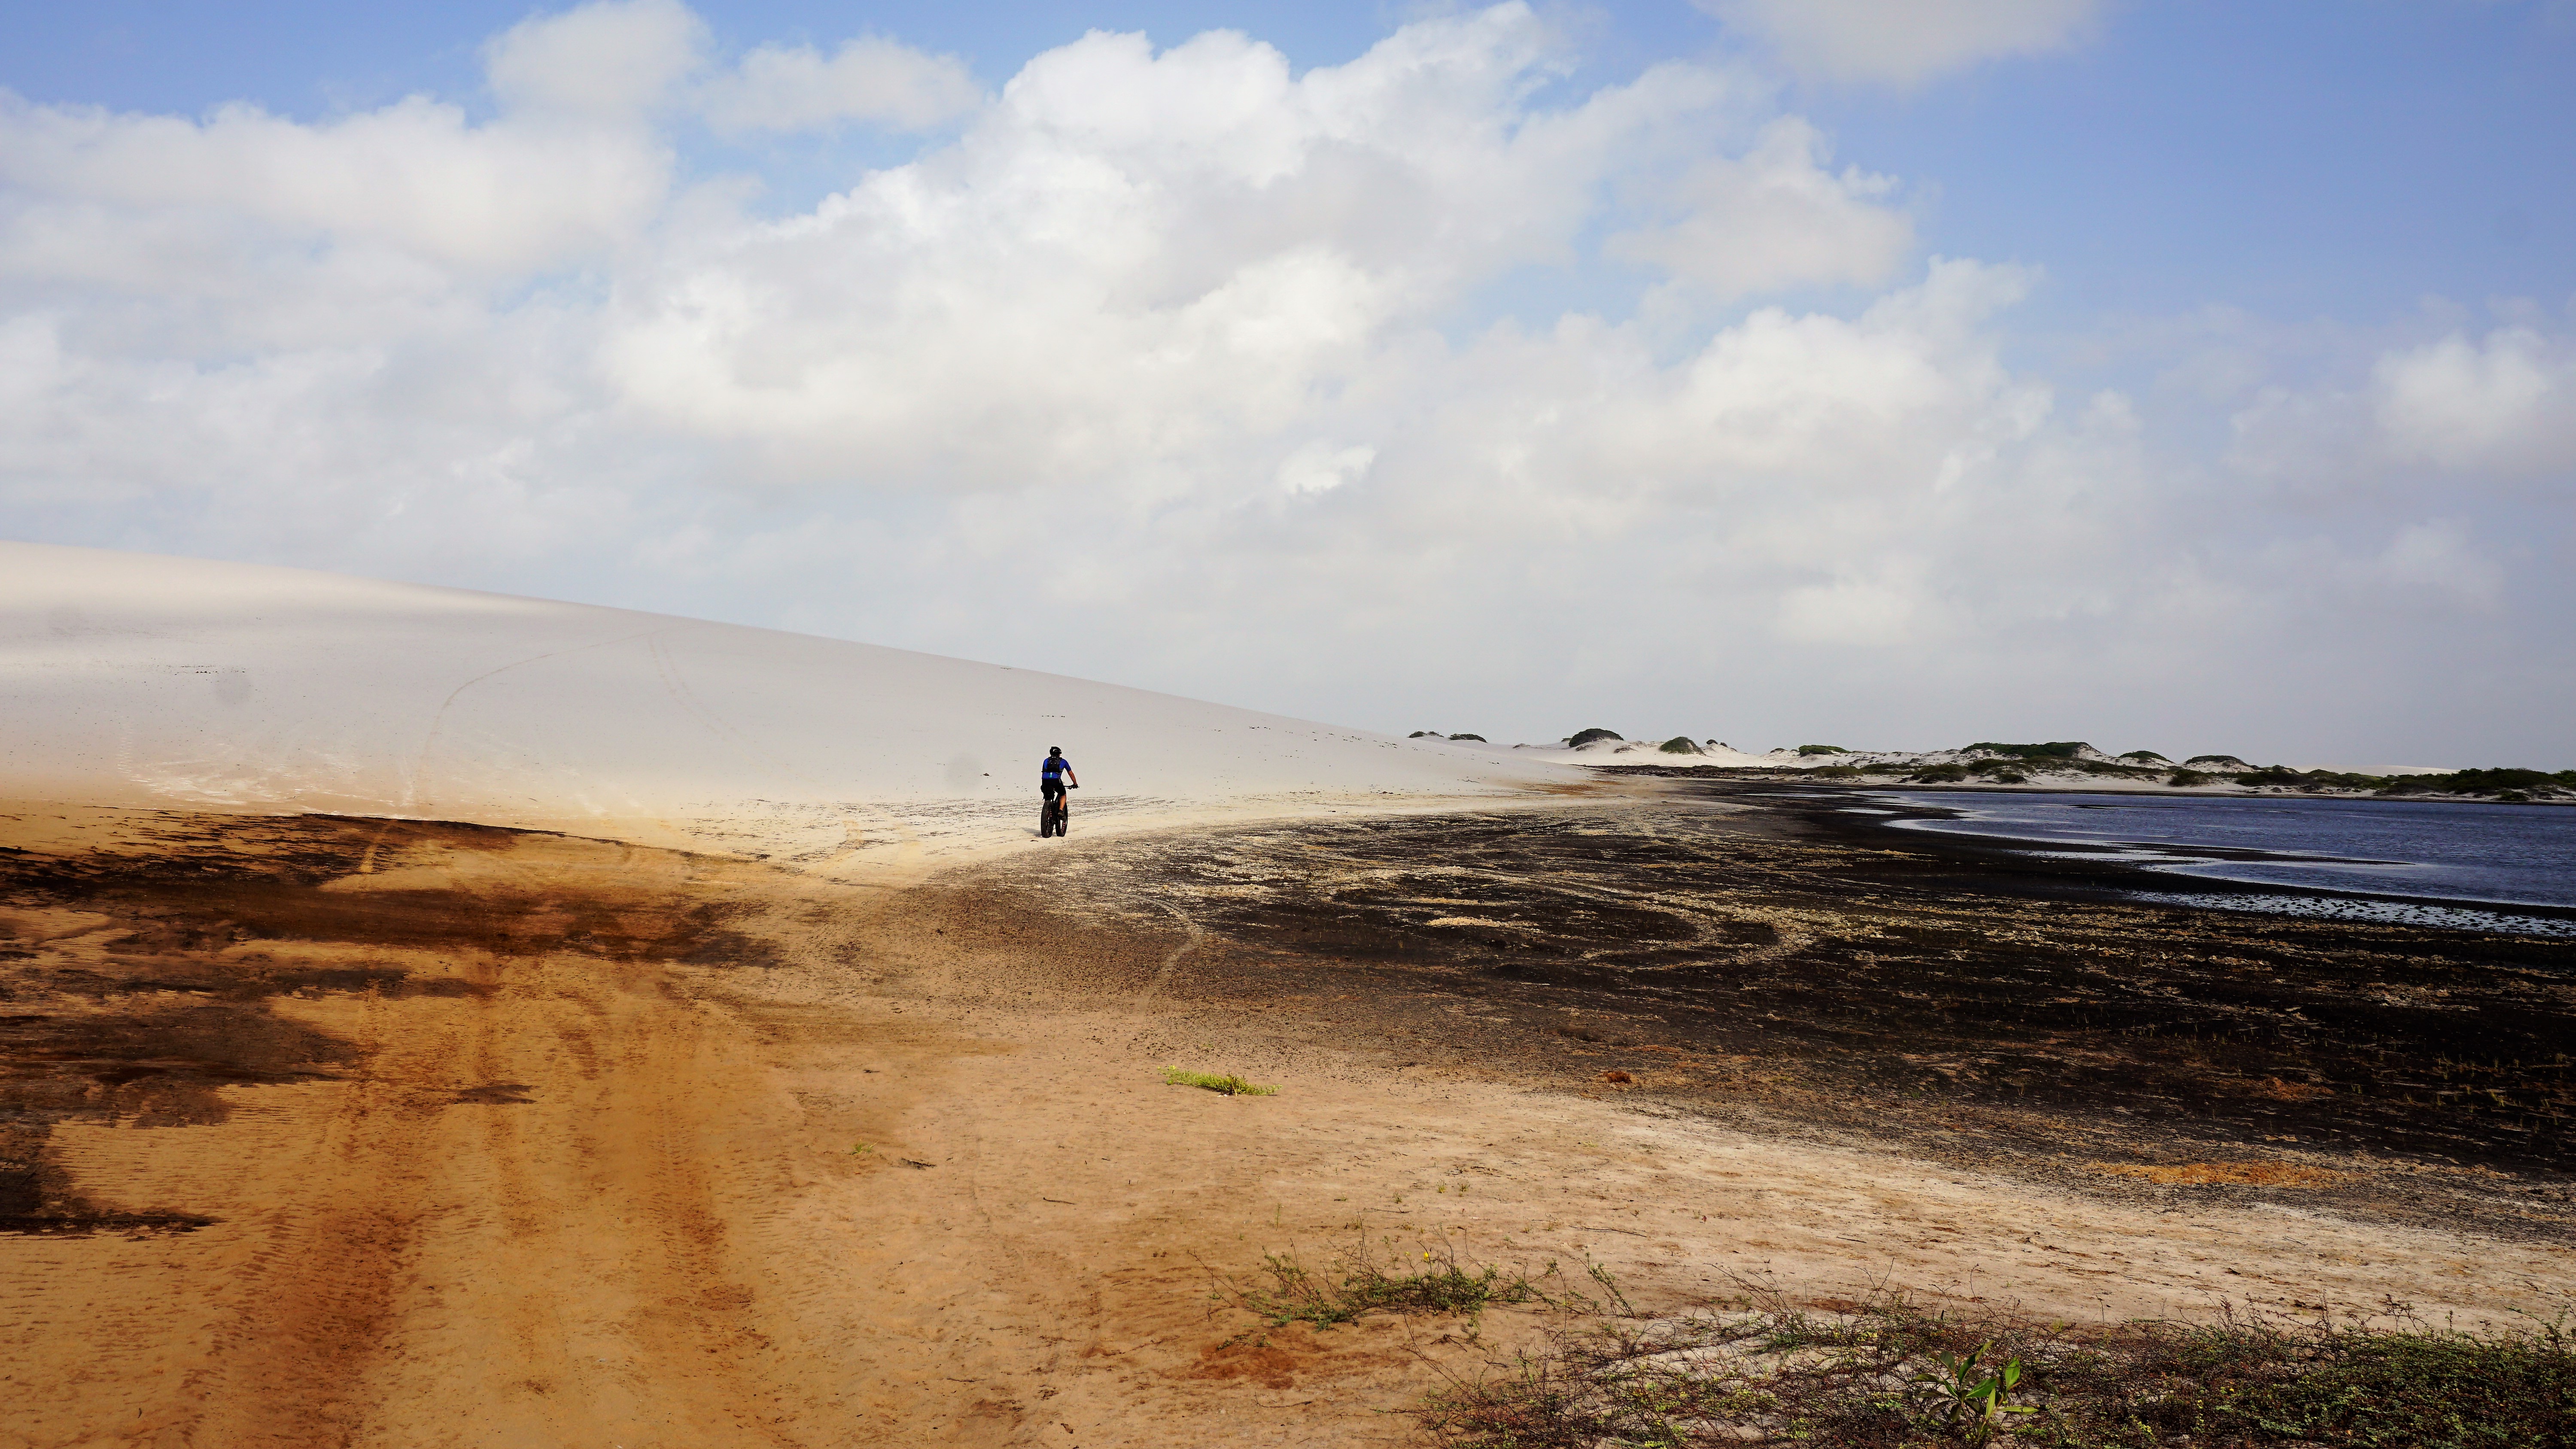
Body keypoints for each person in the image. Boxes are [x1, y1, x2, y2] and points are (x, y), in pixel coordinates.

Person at [1040, 746, 1078, 832]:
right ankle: (1060, 811)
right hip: (1056, 781)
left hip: (1045, 781)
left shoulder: (1046, 761)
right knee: (1063, 794)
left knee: (1048, 796)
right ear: (1059, 754)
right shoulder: (1063, 761)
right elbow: (1071, 774)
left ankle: (1049, 812)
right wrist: (1075, 784)